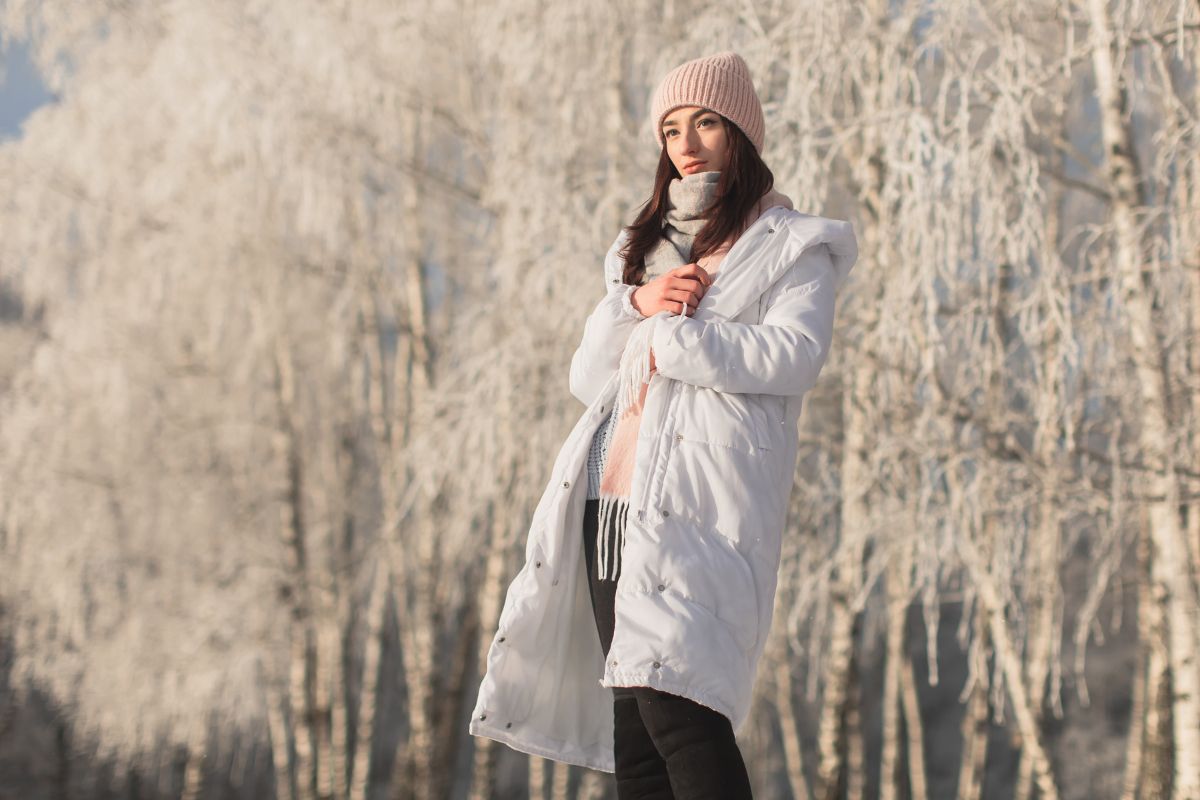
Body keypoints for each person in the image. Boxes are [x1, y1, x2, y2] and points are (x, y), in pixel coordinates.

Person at [469, 51, 858, 799]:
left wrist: (668, 338)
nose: (686, 142)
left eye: (706, 122)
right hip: (608, 504)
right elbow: (589, 379)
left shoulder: (792, 246)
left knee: (680, 712)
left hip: (701, 506)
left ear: (741, 132)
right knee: (638, 735)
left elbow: (792, 356)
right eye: (673, 127)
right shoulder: (640, 249)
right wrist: (635, 307)